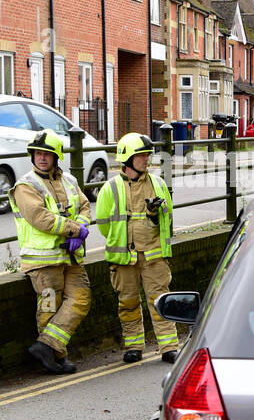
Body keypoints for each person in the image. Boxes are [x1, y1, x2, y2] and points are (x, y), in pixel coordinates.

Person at [10, 131, 93, 374]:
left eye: (47, 153)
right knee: (49, 307)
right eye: (38, 153)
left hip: (70, 257)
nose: (42, 157)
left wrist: (80, 228)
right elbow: (40, 218)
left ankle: (47, 347)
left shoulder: (68, 180)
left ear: (56, 157)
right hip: (42, 261)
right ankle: (58, 356)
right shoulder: (26, 185)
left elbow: (85, 206)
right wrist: (75, 231)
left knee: (81, 299)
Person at [96, 132, 180, 364]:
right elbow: (103, 224)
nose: (146, 159)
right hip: (123, 258)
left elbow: (167, 218)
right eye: (141, 155)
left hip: (153, 255)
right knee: (128, 303)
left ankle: (169, 347)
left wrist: (154, 215)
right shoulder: (110, 188)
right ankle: (134, 346)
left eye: (147, 155)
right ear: (127, 158)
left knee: (161, 299)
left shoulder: (158, 184)